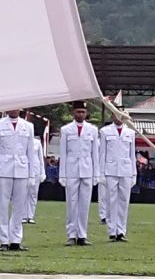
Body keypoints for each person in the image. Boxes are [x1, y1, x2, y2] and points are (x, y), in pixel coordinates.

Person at [56, 104, 99, 248]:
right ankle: (71, 235)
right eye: (78, 111)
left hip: (87, 169)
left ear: (86, 113)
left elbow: (95, 154)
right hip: (71, 170)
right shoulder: (66, 129)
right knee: (71, 203)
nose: (81, 114)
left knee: (85, 205)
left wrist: (96, 174)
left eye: (83, 112)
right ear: (73, 113)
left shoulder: (92, 130)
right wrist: (62, 174)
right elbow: (63, 153)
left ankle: (82, 235)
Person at [0, 110, 32, 251]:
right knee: (2, 205)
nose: (14, 109)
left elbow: (30, 152)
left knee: (19, 207)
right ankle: (3, 240)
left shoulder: (28, 126)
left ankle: (16, 240)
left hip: (21, 168)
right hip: (3, 169)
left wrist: (32, 174)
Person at [97, 115, 135, 242]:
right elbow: (102, 153)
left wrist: (133, 173)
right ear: (112, 116)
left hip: (126, 170)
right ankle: (112, 231)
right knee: (111, 201)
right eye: (116, 114)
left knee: (124, 201)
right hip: (110, 169)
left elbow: (132, 154)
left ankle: (121, 231)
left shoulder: (130, 132)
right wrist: (101, 173)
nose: (118, 117)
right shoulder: (105, 131)